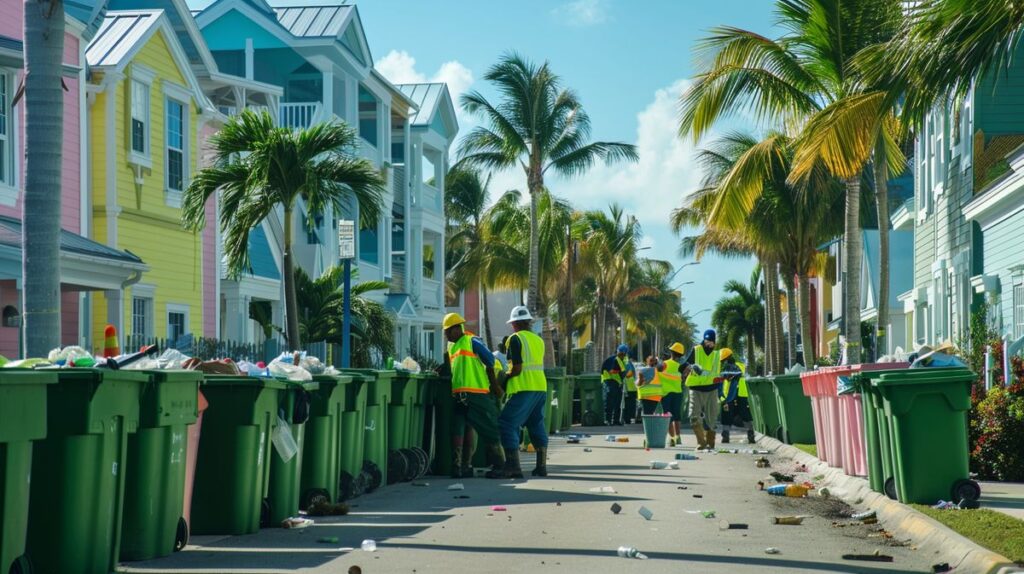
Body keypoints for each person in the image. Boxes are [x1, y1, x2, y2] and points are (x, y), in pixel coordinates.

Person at [442, 312, 506, 478]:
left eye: (448, 331)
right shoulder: (451, 346)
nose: (446, 334)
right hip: (460, 395)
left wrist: (494, 385)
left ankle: (500, 465)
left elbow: (490, 361)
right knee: (459, 429)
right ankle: (461, 467)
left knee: (488, 428)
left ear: (457, 329)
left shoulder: (472, 341)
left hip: (476, 393)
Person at [492, 305, 549, 479]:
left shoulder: (515, 339)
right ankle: (541, 466)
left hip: (524, 387)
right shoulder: (538, 340)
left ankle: (513, 466)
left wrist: (503, 378)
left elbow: (516, 368)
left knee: (507, 422)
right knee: (535, 423)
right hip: (540, 387)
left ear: (514, 324)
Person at [683, 329, 723, 452]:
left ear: (714, 342)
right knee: (694, 417)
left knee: (711, 418)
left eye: (711, 341)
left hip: (712, 389)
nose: (708, 344)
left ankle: (711, 443)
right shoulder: (696, 350)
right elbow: (685, 365)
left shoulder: (717, 354)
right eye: (707, 341)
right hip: (695, 388)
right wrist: (687, 369)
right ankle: (701, 443)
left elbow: (718, 373)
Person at [718, 348, 755, 444]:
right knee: (726, 414)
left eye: (724, 360)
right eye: (722, 361)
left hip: (741, 394)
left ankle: (751, 435)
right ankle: (725, 436)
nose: (724, 362)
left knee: (745, 415)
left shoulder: (739, 365)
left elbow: (737, 373)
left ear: (729, 357)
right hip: (728, 395)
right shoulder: (722, 369)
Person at [658, 343, 686, 446]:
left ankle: (672, 438)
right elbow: (684, 379)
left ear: (671, 352)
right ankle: (678, 437)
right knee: (677, 416)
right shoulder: (681, 367)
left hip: (665, 394)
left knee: (667, 416)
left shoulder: (664, 364)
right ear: (681, 355)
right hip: (678, 392)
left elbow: (657, 376)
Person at [600, 344, 635, 426]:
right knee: (610, 403)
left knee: (617, 403)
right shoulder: (613, 359)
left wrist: (625, 373)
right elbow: (611, 371)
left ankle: (616, 420)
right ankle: (608, 420)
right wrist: (620, 372)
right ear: (618, 352)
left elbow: (627, 373)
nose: (623, 355)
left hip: (617, 383)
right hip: (609, 382)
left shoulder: (621, 360)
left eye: (624, 354)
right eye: (622, 354)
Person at [622, 355, 639, 424]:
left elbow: (630, 373)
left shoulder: (625, 361)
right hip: (632, 387)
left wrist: (624, 376)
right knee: (631, 404)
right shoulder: (628, 362)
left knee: (628, 404)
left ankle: (627, 419)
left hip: (628, 387)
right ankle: (630, 418)